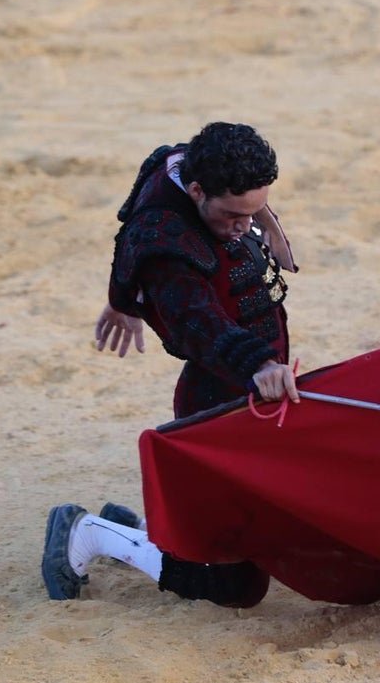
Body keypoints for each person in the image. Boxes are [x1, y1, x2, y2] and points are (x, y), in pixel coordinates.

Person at [42, 122, 300, 608]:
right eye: (232, 215)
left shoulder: (189, 164)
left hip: (246, 383)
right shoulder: (168, 248)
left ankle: (140, 530)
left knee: (248, 520)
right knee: (235, 584)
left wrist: (121, 298)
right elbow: (199, 323)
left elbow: (143, 191)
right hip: (219, 395)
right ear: (198, 192)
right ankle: (90, 532)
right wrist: (259, 361)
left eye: (253, 209)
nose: (243, 226)